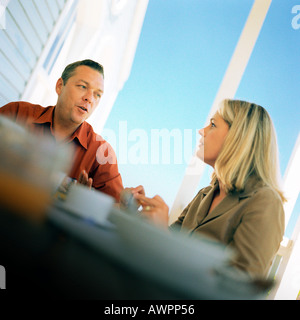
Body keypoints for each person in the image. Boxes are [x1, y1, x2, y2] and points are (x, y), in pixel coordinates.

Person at [127, 99, 286, 279]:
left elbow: (240, 287)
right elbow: (164, 249)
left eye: (212, 125)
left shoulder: (265, 202)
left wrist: (161, 232)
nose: (201, 131)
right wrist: (133, 214)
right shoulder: (205, 194)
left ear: (237, 137)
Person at [0, 59, 123, 202]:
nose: (89, 98)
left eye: (97, 94)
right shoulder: (17, 113)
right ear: (60, 86)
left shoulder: (102, 154)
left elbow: (116, 209)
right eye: (83, 86)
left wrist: (85, 201)